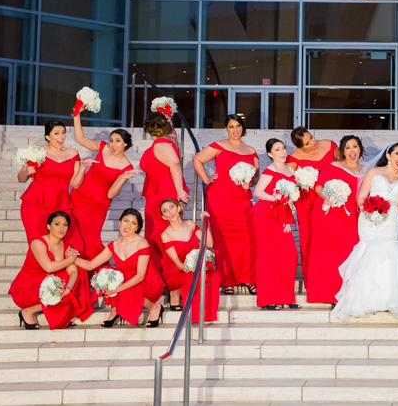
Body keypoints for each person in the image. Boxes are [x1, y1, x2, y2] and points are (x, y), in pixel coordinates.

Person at [332, 142, 398, 322]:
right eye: (397, 153)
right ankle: (366, 300)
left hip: (391, 221)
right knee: (369, 253)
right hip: (369, 219)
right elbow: (361, 197)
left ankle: (389, 298)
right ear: (388, 155)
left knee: (390, 254)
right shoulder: (374, 173)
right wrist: (368, 211)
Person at [192, 114, 258, 296]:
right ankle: (226, 280)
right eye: (231, 126)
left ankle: (249, 279)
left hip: (242, 199)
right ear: (226, 129)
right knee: (222, 241)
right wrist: (207, 179)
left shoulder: (251, 150)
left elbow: (256, 176)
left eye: (238, 126)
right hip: (220, 197)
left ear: (243, 128)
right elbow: (197, 160)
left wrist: (249, 182)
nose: (235, 130)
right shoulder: (218, 145)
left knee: (249, 239)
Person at [75, 208, 166, 328]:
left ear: (137, 228)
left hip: (147, 282)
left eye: (133, 223)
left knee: (123, 288)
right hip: (127, 280)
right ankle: (116, 310)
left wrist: (117, 289)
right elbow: (91, 265)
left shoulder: (142, 244)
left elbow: (140, 276)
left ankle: (154, 307)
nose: (128, 225)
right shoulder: (114, 245)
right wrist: (72, 259)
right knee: (107, 275)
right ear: (119, 222)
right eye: (126, 221)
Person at [9, 211, 93, 330]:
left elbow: (73, 272)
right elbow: (48, 267)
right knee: (59, 289)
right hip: (27, 289)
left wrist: (68, 288)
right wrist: (70, 260)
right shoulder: (38, 243)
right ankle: (28, 311)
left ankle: (62, 315)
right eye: (57, 224)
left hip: (49, 285)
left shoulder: (66, 246)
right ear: (48, 226)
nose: (61, 228)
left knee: (77, 279)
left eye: (65, 225)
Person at [307, 135, 365, 304]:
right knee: (331, 257)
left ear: (360, 149)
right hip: (331, 216)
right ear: (342, 151)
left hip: (354, 218)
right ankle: (332, 295)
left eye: (354, 146)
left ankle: (348, 295)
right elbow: (318, 185)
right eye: (347, 147)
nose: (352, 150)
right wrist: (328, 196)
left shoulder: (366, 170)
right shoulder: (333, 166)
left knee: (350, 256)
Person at [70, 112, 136, 260]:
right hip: (80, 196)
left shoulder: (127, 166)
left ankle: (97, 272)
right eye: (111, 140)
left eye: (117, 141)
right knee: (73, 233)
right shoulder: (102, 147)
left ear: (125, 144)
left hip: (98, 203)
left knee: (91, 238)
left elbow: (111, 194)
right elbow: (80, 138)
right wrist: (76, 116)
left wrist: (123, 178)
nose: (113, 144)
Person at [286, 126, 338, 290]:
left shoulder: (330, 146)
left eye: (312, 137)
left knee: (332, 241)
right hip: (307, 204)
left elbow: (342, 166)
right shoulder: (293, 159)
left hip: (331, 200)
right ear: (299, 147)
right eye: (308, 143)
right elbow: (289, 184)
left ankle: (333, 279)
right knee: (309, 241)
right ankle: (314, 282)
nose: (313, 142)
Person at [252, 139, 300, 310]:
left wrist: (288, 217)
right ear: (270, 154)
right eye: (277, 149)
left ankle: (286, 297)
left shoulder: (291, 170)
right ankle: (268, 299)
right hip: (266, 216)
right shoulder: (270, 170)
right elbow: (258, 192)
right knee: (269, 259)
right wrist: (275, 198)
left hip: (282, 216)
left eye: (283, 148)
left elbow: (292, 198)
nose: (282, 152)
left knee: (289, 255)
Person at [139, 112, 189, 271]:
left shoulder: (161, 143)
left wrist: (180, 191)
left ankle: (166, 273)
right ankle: (164, 273)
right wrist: (168, 115)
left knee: (160, 231)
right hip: (158, 191)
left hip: (163, 192)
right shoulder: (168, 141)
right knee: (159, 231)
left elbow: (175, 163)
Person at [17, 120, 81, 243]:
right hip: (35, 203)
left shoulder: (73, 153)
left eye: (63, 132)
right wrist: (26, 171)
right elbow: (21, 179)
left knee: (75, 243)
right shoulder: (37, 152)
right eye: (56, 133)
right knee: (39, 244)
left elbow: (75, 184)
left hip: (61, 203)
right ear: (47, 136)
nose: (61, 136)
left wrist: (83, 167)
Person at [160, 199, 218, 323]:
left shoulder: (190, 224)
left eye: (172, 207)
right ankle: (194, 314)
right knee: (196, 277)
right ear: (163, 217)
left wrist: (203, 222)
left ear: (179, 208)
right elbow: (178, 264)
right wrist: (193, 268)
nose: (170, 212)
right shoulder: (166, 235)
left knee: (214, 276)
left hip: (192, 267)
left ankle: (207, 314)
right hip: (175, 271)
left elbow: (209, 243)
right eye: (166, 211)